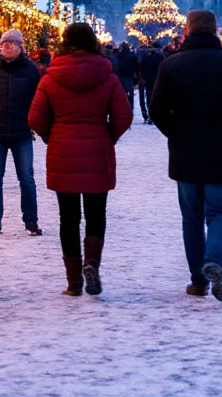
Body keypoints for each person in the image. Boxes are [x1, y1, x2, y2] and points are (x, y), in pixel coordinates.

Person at [149, 10, 222, 302]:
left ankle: (198, 280)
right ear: (215, 31)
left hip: (185, 151)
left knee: (191, 218)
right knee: (219, 212)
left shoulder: (171, 65)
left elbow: (157, 108)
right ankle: (214, 260)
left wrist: (175, 131)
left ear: (187, 31)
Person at [29, 23, 132, 297]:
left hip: (63, 151)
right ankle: (92, 264)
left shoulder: (50, 78)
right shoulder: (108, 77)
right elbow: (124, 116)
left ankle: (73, 281)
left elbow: (35, 117)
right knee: (96, 214)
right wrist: (108, 136)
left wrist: (52, 135)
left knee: (68, 218)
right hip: (97, 149)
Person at [0, 29, 43, 236]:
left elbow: (39, 99)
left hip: (22, 132)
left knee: (27, 178)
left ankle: (31, 221)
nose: (7, 46)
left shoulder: (30, 69)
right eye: (4, 43)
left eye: (12, 43)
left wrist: (31, 120)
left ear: (20, 46)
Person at [138, 43, 164, 125]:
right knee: (157, 97)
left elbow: (141, 67)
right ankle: (156, 116)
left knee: (149, 97)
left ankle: (150, 115)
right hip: (158, 79)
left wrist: (142, 77)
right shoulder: (161, 56)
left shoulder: (146, 56)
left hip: (148, 79)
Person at [116, 42, 140, 113]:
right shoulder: (132, 56)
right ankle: (131, 107)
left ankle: (123, 107)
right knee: (130, 92)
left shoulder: (118, 56)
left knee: (123, 93)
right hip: (130, 76)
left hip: (121, 76)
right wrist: (138, 76)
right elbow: (136, 67)